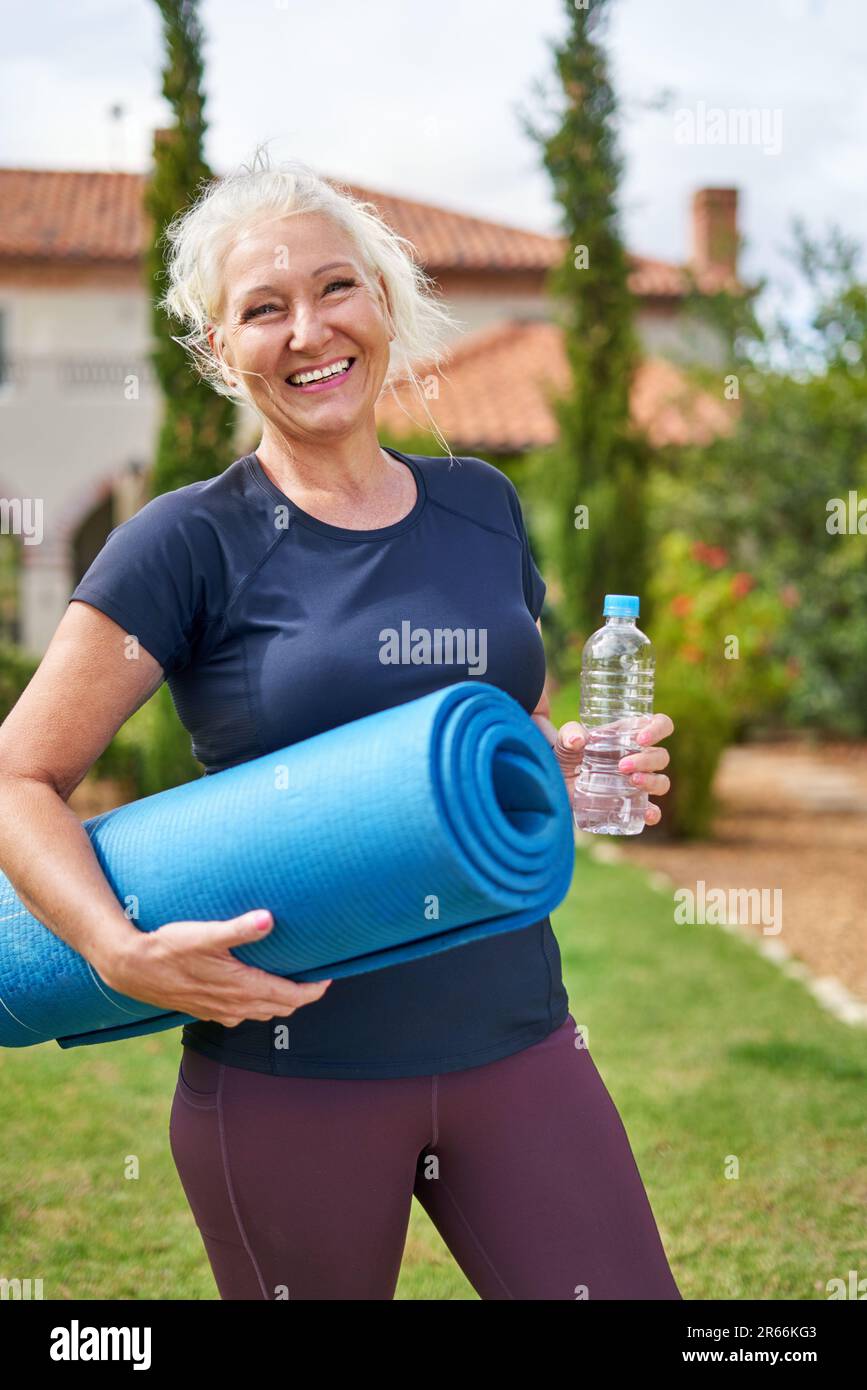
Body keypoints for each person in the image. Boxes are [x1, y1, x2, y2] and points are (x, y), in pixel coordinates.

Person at [0, 151, 679, 1301]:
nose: (310, 331)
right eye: (263, 309)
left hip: (519, 1038)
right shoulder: (185, 543)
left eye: (336, 289)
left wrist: (556, 771)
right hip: (289, 1072)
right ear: (221, 350)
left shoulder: (483, 503)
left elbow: (513, 720)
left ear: (386, 301)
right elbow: (21, 773)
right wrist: (118, 949)